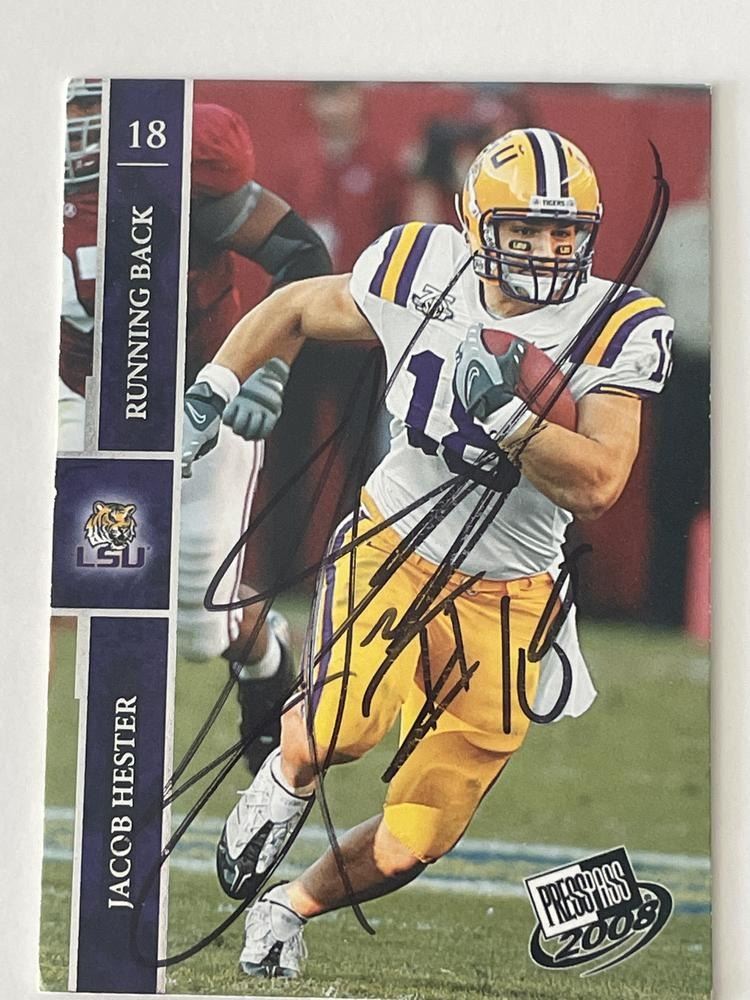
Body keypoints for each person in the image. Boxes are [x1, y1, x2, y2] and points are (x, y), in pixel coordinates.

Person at [181, 128, 675, 978]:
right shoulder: (422, 268)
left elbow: (599, 483)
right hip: (396, 544)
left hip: (514, 594)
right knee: (341, 726)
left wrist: (513, 419)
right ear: (476, 224)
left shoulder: (616, 323)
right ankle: (285, 778)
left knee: (422, 833)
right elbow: (292, 306)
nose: (547, 250)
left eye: (564, 232)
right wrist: (216, 383)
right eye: (525, 230)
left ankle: (286, 907)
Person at [60, 79, 332, 773]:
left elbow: (301, 256)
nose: (74, 123)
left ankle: (266, 655)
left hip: (196, 397)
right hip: (74, 397)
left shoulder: (179, 161)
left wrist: (266, 369)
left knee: (198, 625)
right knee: (74, 577)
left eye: (88, 106)